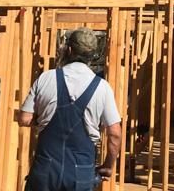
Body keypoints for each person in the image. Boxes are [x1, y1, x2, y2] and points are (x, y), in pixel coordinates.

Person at [17, 29, 122, 191]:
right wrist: (108, 165)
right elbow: (115, 134)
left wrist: (42, 118)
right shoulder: (102, 87)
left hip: (46, 169)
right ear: (93, 54)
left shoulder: (46, 78)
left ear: (69, 50)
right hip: (80, 174)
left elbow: (24, 119)